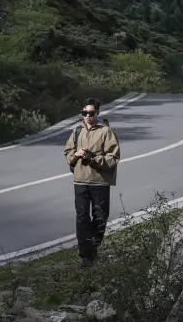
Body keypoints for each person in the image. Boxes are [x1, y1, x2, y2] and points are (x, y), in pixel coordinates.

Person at [63, 97, 121, 266]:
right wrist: (76, 155)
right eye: (84, 113)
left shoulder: (106, 132)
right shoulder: (76, 132)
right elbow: (67, 152)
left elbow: (113, 157)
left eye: (91, 113)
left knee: (100, 217)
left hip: (99, 181)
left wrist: (94, 158)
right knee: (81, 218)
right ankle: (85, 256)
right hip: (80, 180)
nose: (88, 116)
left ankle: (92, 247)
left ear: (98, 113)